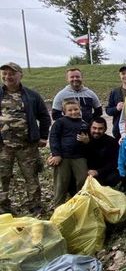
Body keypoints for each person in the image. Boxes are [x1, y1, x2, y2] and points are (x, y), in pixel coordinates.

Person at [0, 62, 51, 214]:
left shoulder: (31, 95)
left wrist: (43, 136)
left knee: (31, 176)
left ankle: (35, 206)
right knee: (3, 177)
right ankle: (3, 206)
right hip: (3, 146)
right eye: (5, 73)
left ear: (20, 75)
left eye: (12, 73)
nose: (8, 76)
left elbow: (44, 116)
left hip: (27, 145)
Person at [48, 99, 89, 206]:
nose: (73, 112)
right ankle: (58, 206)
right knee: (62, 182)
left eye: (76, 109)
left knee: (82, 179)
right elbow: (53, 138)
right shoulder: (60, 122)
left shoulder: (84, 124)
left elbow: (89, 141)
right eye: (70, 110)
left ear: (80, 109)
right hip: (63, 157)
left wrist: (86, 140)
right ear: (64, 112)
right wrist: (56, 154)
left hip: (79, 156)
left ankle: (80, 203)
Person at [85, 117, 121, 187]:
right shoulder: (84, 139)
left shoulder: (111, 142)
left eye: (100, 128)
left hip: (103, 172)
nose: (97, 131)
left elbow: (114, 162)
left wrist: (98, 172)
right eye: (94, 128)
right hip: (86, 171)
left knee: (114, 177)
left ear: (105, 129)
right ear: (90, 128)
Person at [105, 65, 126, 140]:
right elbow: (108, 111)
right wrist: (116, 108)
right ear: (120, 76)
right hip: (120, 131)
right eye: (123, 73)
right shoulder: (115, 92)